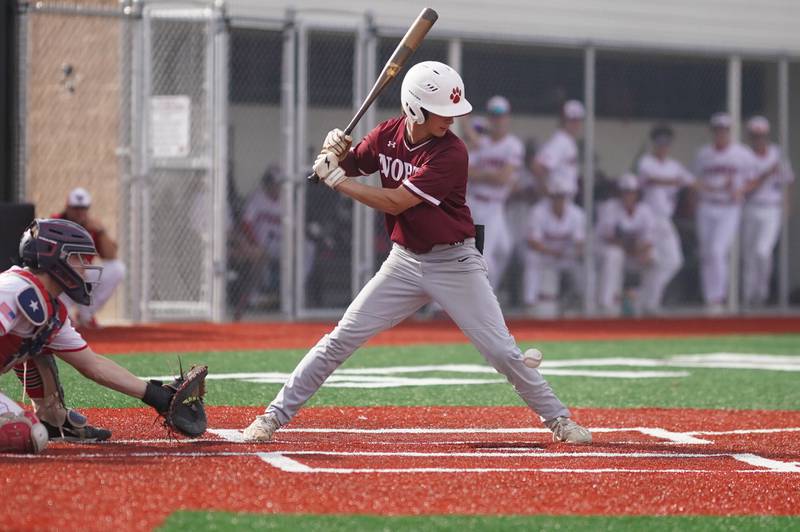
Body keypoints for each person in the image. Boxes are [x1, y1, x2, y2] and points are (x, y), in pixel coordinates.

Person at [242, 61, 591, 445]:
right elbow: (355, 162)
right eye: (443, 113)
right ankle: (272, 417)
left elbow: (395, 202)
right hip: (404, 261)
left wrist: (337, 181)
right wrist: (334, 151)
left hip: (455, 263)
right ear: (414, 108)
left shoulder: (452, 153)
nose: (452, 120)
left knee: (503, 353)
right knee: (340, 339)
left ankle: (559, 420)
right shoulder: (386, 134)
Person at [0, 219, 206, 453]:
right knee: (26, 434)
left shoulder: (50, 309)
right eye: (78, 257)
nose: (86, 267)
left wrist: (158, 396)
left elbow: (93, 365)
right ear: (54, 256)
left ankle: (52, 418)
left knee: (40, 347)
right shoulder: (13, 289)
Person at [693, 112, 754, 314]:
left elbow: (753, 179)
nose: (721, 133)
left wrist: (741, 190)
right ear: (712, 131)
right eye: (717, 130)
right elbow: (696, 181)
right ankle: (709, 297)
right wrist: (704, 192)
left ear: (730, 131)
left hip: (729, 207)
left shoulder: (742, 153)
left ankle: (718, 296)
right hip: (707, 205)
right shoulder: (704, 154)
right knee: (706, 252)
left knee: (718, 250)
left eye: (724, 130)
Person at [465, 95, 525, 289]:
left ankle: (490, 294)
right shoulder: (480, 143)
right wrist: (492, 175)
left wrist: (482, 174)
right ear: (489, 118)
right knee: (484, 256)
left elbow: (504, 179)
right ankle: (479, 301)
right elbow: (465, 172)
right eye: (494, 115)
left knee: (504, 250)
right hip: (478, 204)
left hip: (496, 206)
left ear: (508, 118)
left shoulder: (513, 145)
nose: (498, 119)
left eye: (502, 115)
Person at [635, 124, 696, 314]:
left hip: (665, 220)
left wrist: (720, 189)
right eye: (659, 143)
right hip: (648, 219)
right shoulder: (646, 161)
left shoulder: (674, 166)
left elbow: (694, 182)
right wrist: (675, 181)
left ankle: (645, 299)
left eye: (666, 144)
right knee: (653, 262)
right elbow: (651, 179)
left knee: (672, 262)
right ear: (654, 144)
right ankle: (647, 302)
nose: (662, 147)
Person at [741, 116, 795, 307]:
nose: (758, 139)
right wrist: (766, 174)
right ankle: (748, 295)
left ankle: (761, 293)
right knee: (748, 254)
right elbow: (746, 187)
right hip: (750, 207)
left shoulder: (777, 153)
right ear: (749, 136)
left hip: (772, 208)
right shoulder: (745, 156)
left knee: (762, 251)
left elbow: (787, 182)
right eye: (755, 136)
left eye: (762, 135)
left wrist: (787, 205)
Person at [53, 188, 126, 328]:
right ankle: (62, 314)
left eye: (83, 208)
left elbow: (111, 255)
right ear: (67, 207)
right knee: (69, 268)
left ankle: (86, 314)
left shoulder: (91, 226)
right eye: (76, 208)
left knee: (117, 268)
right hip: (59, 276)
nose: (80, 212)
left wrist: (101, 231)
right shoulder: (56, 222)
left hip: (83, 274)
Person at [522, 175, 585, 317]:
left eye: (562, 196)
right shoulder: (538, 211)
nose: (559, 200)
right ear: (550, 196)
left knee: (584, 265)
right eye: (556, 196)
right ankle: (530, 302)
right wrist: (552, 252)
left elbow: (579, 243)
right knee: (532, 258)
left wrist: (572, 252)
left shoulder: (577, 214)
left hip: (566, 256)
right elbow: (533, 242)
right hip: (545, 255)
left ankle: (584, 300)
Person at [595, 174, 657, 316]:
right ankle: (607, 301)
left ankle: (647, 301)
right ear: (620, 193)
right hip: (605, 249)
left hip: (633, 251)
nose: (629, 195)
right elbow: (610, 238)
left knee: (654, 257)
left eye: (632, 192)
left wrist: (643, 251)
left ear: (637, 194)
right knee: (614, 254)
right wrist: (634, 249)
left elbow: (649, 239)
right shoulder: (609, 207)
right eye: (626, 192)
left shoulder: (645, 210)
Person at [239, 166, 283, 311]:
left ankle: (291, 294)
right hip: (262, 243)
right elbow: (246, 223)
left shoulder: (286, 199)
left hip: (283, 244)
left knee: (307, 250)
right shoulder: (257, 198)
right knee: (261, 255)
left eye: (279, 184)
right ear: (267, 184)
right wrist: (254, 243)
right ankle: (256, 295)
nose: (277, 187)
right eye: (274, 183)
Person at [532, 100, 585, 199]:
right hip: (556, 199)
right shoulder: (560, 141)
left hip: (566, 200)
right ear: (564, 120)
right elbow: (537, 167)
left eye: (578, 120)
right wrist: (545, 190)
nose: (576, 124)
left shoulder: (568, 141)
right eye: (572, 120)